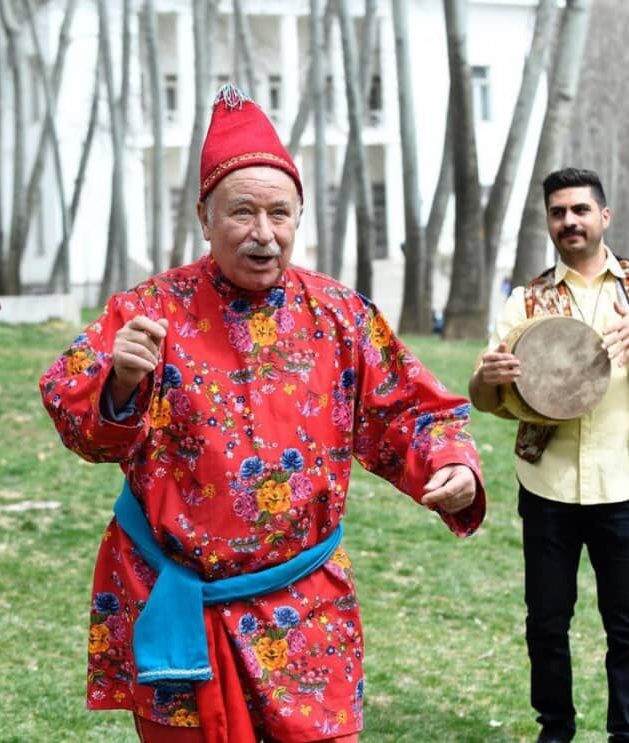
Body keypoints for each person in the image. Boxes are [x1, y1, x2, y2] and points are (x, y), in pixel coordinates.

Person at [39, 85, 486, 743]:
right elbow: (75, 414)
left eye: (280, 213)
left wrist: (451, 463)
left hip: (305, 607)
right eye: (241, 212)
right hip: (181, 602)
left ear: (299, 217)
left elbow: (410, 412)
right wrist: (122, 380)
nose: (263, 234)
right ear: (204, 216)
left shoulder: (341, 316)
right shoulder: (147, 311)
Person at [468, 168, 629, 743]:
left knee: (628, 627)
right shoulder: (527, 299)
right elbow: (487, 398)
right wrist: (486, 376)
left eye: (580, 210)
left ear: (604, 217)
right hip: (548, 488)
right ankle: (555, 730)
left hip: (627, 486)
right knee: (547, 624)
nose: (569, 221)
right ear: (549, 223)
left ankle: (628, 735)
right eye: (558, 212)